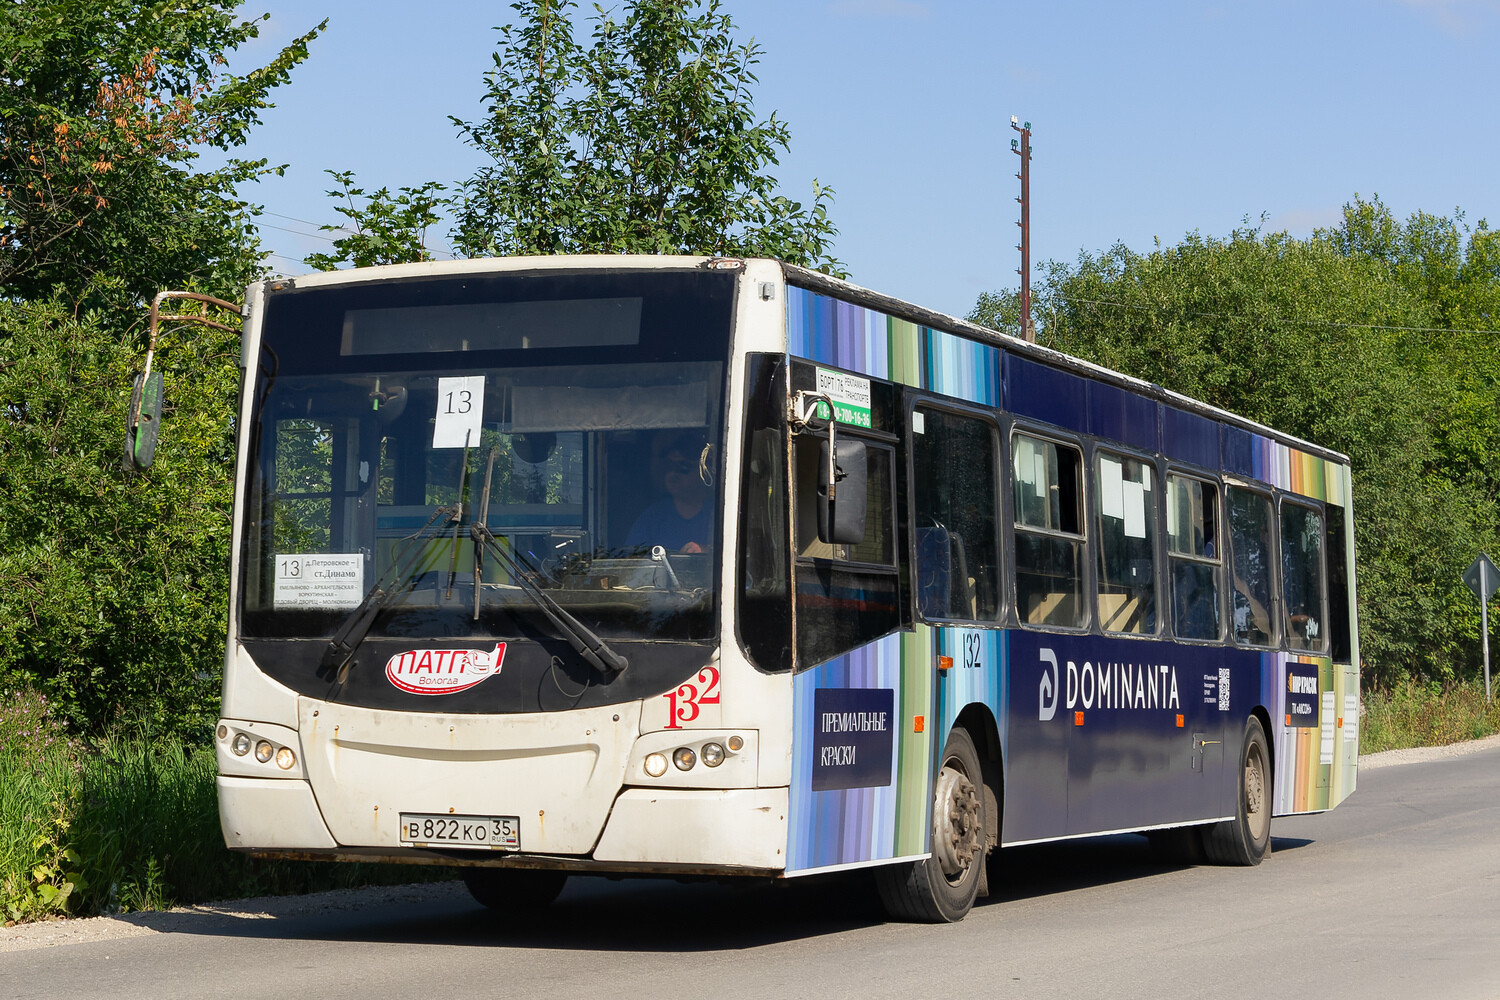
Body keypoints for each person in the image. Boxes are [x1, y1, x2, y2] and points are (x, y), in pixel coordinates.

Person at [625, 435, 713, 554]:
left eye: (683, 467)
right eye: (669, 466)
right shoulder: (652, 518)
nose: (673, 473)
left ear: (703, 471)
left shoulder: (720, 514)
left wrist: (704, 552)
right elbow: (632, 562)